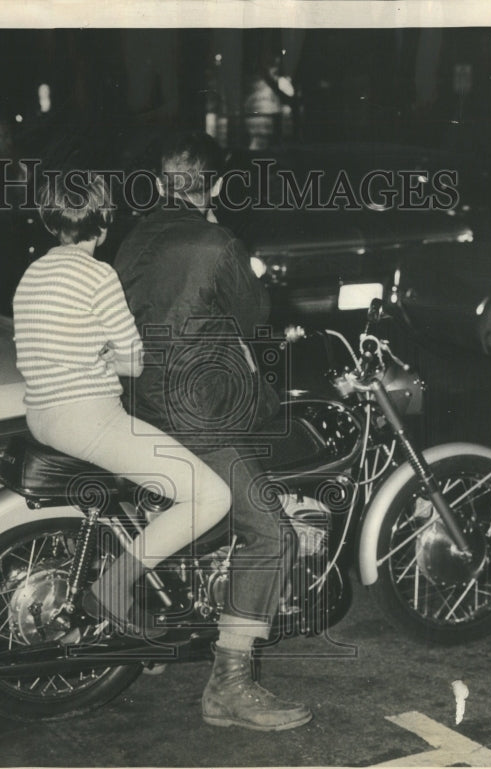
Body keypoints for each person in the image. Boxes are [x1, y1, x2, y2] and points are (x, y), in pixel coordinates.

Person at [113, 132, 313, 731]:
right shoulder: (217, 240)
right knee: (272, 534)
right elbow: (254, 316)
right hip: (198, 415)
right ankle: (230, 684)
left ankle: (166, 616)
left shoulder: (134, 238)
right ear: (216, 186)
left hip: (138, 407)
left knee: (207, 510)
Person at [12, 172, 232, 636]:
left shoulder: (31, 272)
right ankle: (115, 586)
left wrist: (94, 352)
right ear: (105, 220)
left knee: (150, 486)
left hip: (41, 416)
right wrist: (109, 354)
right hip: (87, 418)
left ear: (50, 220)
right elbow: (133, 361)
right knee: (211, 495)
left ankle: (149, 607)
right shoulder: (98, 275)